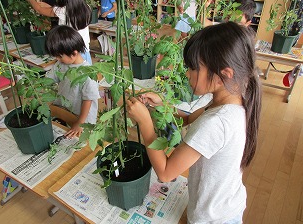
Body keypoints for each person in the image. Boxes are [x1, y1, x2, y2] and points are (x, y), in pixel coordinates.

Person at [126, 22, 262, 223]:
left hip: (213, 218)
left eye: (193, 68)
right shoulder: (232, 100)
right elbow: (189, 119)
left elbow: (165, 172)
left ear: (224, 74)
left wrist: (145, 122)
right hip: (226, 203)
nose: (187, 74)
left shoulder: (217, 123)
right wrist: (163, 105)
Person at [45, 25, 100, 138]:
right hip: (65, 110)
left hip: (83, 117)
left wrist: (80, 123)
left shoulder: (88, 73)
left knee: (82, 140)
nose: (57, 60)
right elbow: (48, 80)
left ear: (74, 53)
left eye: (60, 57)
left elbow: (88, 100)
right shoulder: (60, 65)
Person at [25, 0, 92, 64]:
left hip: (69, 54)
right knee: (87, 74)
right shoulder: (86, 7)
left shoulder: (63, 11)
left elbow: (39, 9)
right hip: (84, 52)